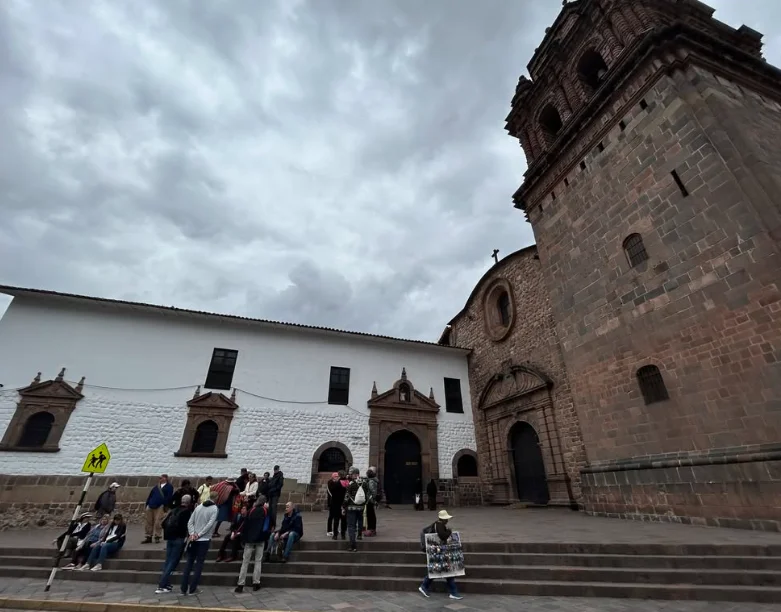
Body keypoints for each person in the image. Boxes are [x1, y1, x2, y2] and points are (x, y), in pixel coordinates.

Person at [418, 510, 463, 600]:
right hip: (439, 552)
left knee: (440, 571)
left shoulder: (437, 524)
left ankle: (425, 586)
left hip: (439, 551)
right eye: (446, 519)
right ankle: (452, 592)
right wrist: (449, 531)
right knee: (444, 571)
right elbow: (442, 536)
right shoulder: (439, 525)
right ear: (443, 519)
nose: (447, 520)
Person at [180, 490, 218, 596]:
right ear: (216, 498)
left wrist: (192, 534)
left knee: (189, 563)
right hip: (204, 539)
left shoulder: (199, 506)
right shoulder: (214, 509)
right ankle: (193, 589)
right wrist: (199, 534)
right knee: (199, 565)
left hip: (193, 539)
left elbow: (190, 522)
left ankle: (183, 588)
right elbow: (210, 524)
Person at [155, 494, 193, 594]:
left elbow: (163, 523)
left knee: (168, 561)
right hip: (179, 539)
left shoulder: (174, 510)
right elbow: (187, 526)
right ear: (189, 502)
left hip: (170, 538)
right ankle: (162, 585)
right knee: (173, 562)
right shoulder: (187, 512)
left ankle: (166, 583)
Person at [235, 496, 270, 592]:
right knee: (258, 561)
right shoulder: (265, 511)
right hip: (260, 538)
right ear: (264, 503)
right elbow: (267, 525)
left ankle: (240, 584)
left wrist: (243, 536)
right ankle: (256, 583)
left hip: (249, 538)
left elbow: (245, 524)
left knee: (245, 561)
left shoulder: (251, 510)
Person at [342, 467, 367, 553]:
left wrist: (343, 506)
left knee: (351, 526)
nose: (350, 475)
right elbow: (367, 494)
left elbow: (346, 497)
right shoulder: (364, 483)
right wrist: (364, 503)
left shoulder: (351, 484)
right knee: (360, 520)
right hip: (361, 507)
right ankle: (359, 534)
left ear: (354, 475)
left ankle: (353, 545)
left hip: (351, 507)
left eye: (351, 474)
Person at [144, 474, 174, 544]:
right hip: (151, 505)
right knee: (148, 522)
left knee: (158, 522)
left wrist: (164, 504)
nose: (160, 479)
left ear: (165, 478)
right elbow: (150, 495)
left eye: (161, 478)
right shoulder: (156, 487)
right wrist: (147, 503)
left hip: (160, 506)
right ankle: (148, 536)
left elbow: (169, 496)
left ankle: (157, 536)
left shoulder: (169, 487)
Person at [326, 472, 346, 539]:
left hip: (340, 503)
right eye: (335, 476)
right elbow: (330, 492)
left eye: (338, 476)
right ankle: (329, 530)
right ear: (332, 477)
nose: (337, 477)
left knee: (341, 518)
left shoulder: (340, 483)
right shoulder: (330, 482)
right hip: (333, 503)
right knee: (331, 517)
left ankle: (340, 533)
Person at [364, 467, 380, 537]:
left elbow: (372, 491)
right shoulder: (373, 480)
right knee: (371, 514)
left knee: (370, 515)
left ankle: (371, 529)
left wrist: (372, 499)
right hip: (371, 500)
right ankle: (372, 529)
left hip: (369, 500)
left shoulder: (371, 481)